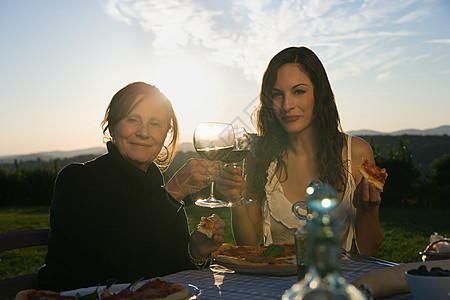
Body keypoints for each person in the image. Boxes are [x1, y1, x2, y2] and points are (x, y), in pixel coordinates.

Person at [38, 82, 225, 291]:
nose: (144, 132)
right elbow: (113, 262)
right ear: (112, 126)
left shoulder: (155, 183)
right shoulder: (76, 179)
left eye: (155, 123)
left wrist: (195, 252)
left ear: (166, 133)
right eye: (132, 119)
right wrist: (173, 192)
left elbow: (165, 268)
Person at [216, 47, 383, 256]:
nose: (287, 105)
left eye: (298, 91)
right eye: (277, 94)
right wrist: (237, 197)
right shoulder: (259, 152)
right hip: (272, 284)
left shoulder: (356, 152)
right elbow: (249, 243)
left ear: (319, 94)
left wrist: (369, 209)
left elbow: (370, 249)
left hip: (332, 284)